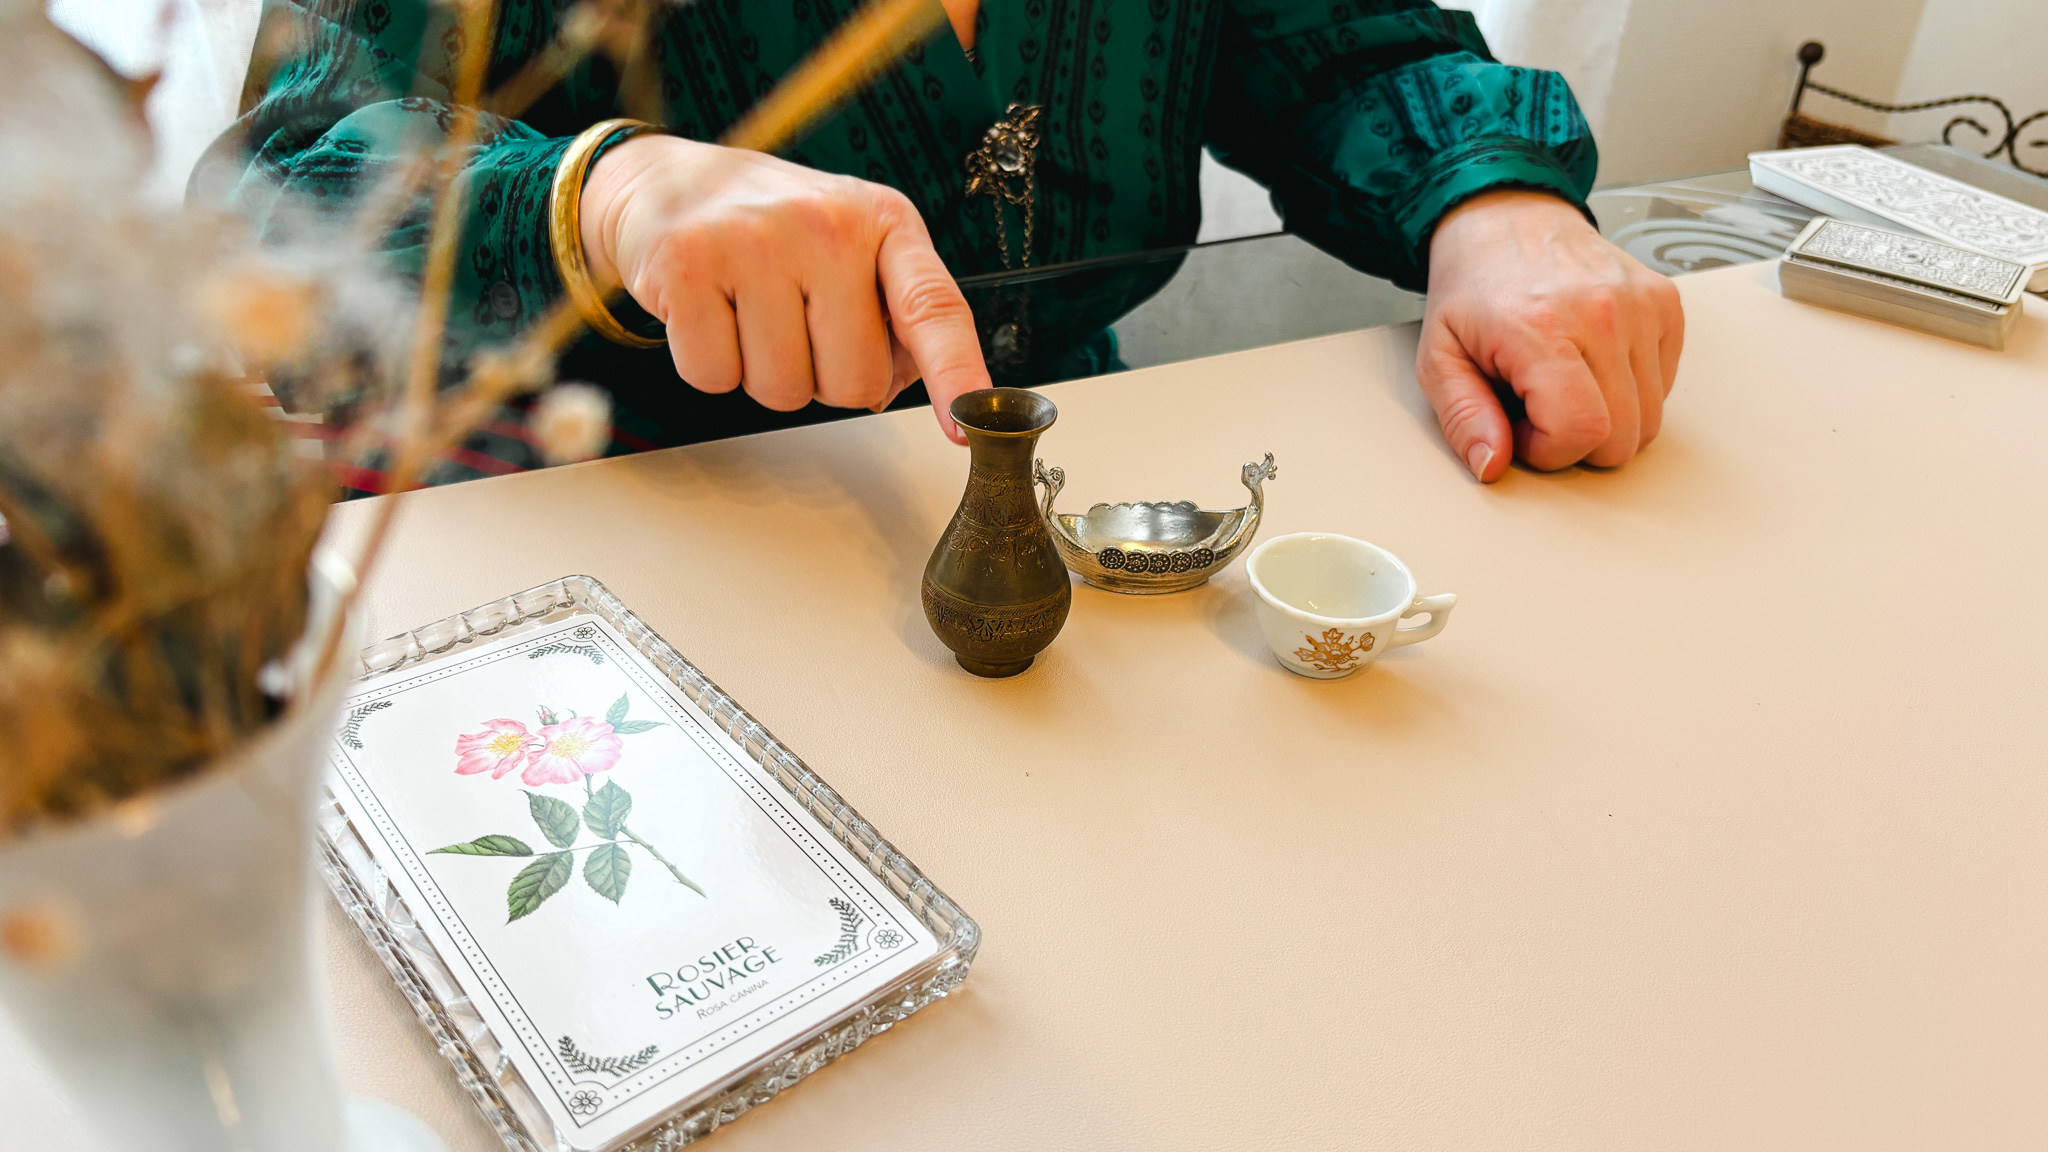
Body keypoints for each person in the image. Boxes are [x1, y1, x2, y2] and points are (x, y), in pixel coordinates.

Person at [220, 0, 1680, 488]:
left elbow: (1343, 58)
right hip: (606, 535)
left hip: (1062, 495)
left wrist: (1501, 209)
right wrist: (605, 200)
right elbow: (274, 205)